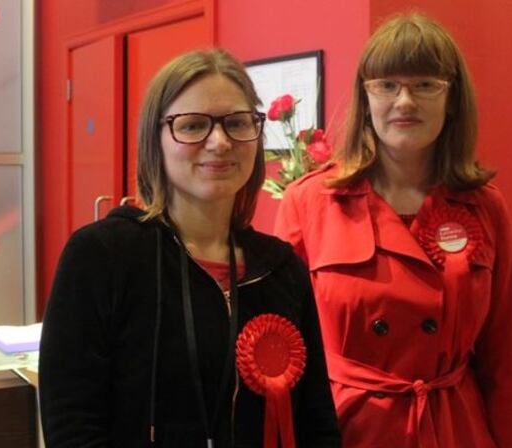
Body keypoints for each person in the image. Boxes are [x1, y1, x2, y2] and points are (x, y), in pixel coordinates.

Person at [39, 49, 341, 447]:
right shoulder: (101, 256)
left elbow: (315, 422)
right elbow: (73, 428)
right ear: (156, 139)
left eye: (236, 123)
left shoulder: (281, 269)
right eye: (193, 125)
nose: (219, 142)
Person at [274, 14, 512, 448]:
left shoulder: (486, 207)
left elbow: (508, 366)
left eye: (425, 85)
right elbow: (283, 356)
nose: (405, 101)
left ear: (451, 98)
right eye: (388, 85)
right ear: (366, 96)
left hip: (455, 430)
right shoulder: (311, 201)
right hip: (348, 430)